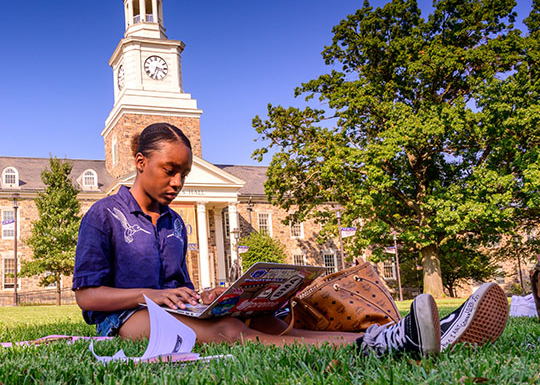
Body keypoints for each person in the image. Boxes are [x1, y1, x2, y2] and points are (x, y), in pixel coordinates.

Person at [73, 123, 509, 357]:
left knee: (270, 322)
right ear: (139, 161)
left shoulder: (175, 224)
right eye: (170, 169)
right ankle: (389, 344)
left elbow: (178, 288)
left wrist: (208, 293)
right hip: (123, 321)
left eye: (185, 173)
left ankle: (405, 334)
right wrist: (153, 294)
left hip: (172, 311)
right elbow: (88, 298)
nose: (179, 181)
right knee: (228, 331)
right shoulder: (104, 215)